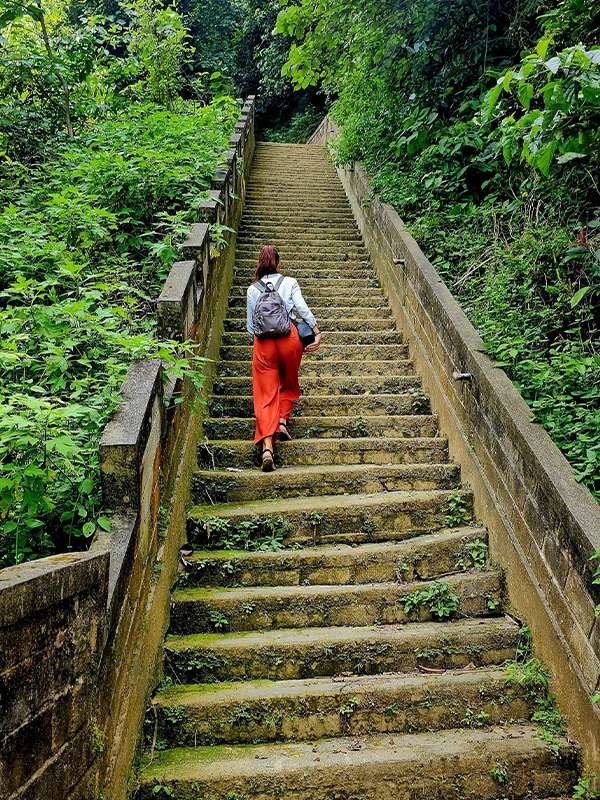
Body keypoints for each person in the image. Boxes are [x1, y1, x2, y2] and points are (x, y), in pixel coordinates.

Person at [246, 245, 321, 471]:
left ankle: (267, 448)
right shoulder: (289, 282)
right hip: (290, 339)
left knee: (265, 394)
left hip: (264, 346)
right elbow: (302, 308)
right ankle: (281, 421)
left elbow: (251, 327)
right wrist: (316, 331)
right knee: (288, 382)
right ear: (278, 264)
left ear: (260, 264)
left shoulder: (252, 289)